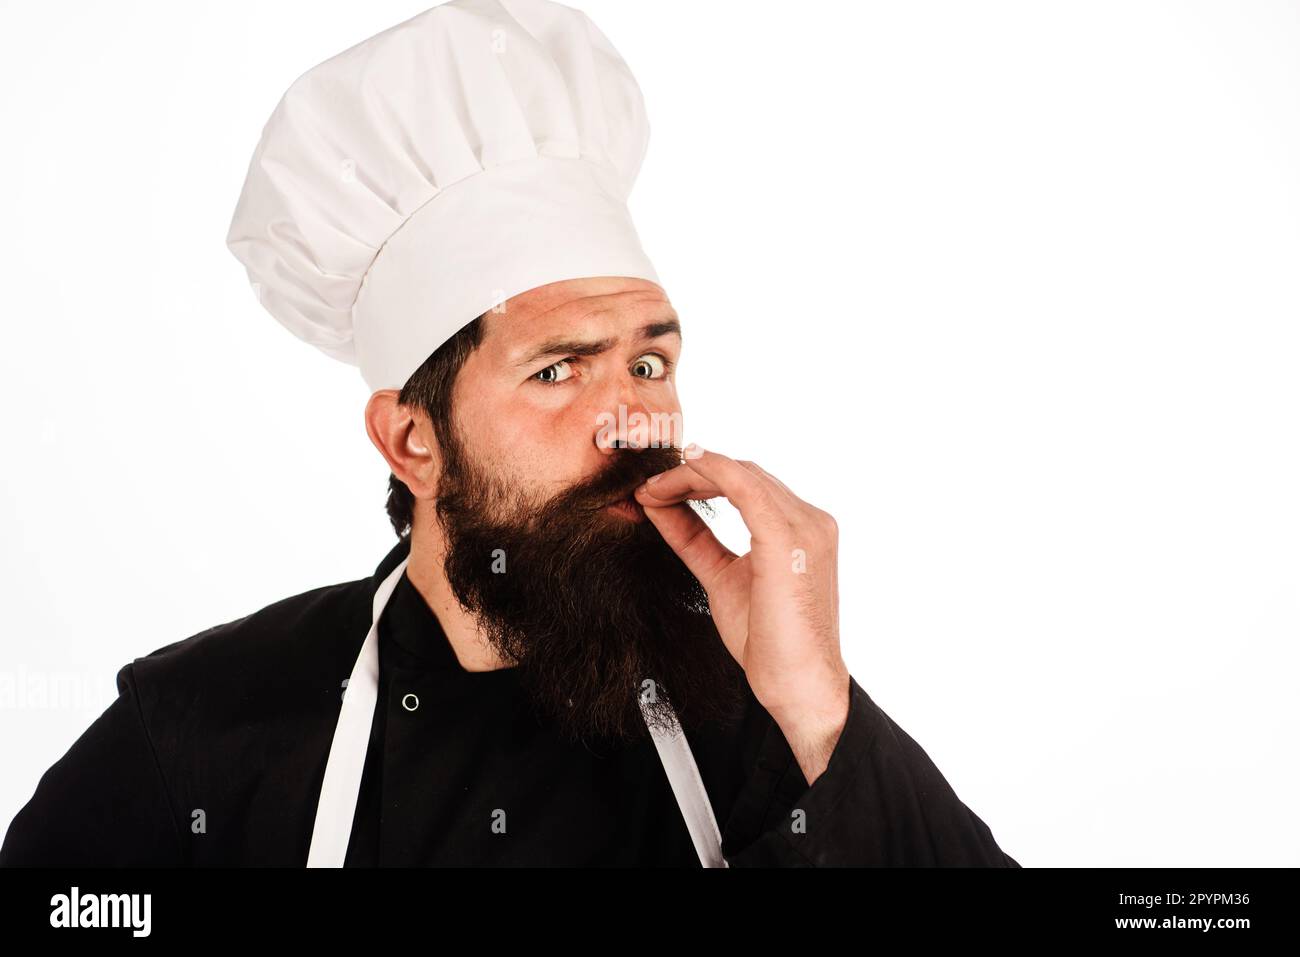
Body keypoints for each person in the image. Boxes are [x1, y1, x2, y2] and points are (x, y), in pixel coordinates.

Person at [0, 0, 1019, 867]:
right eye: (558, 368)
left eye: (648, 363)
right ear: (411, 440)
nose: (631, 419)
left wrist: (815, 709)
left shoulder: (758, 711)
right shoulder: (197, 737)